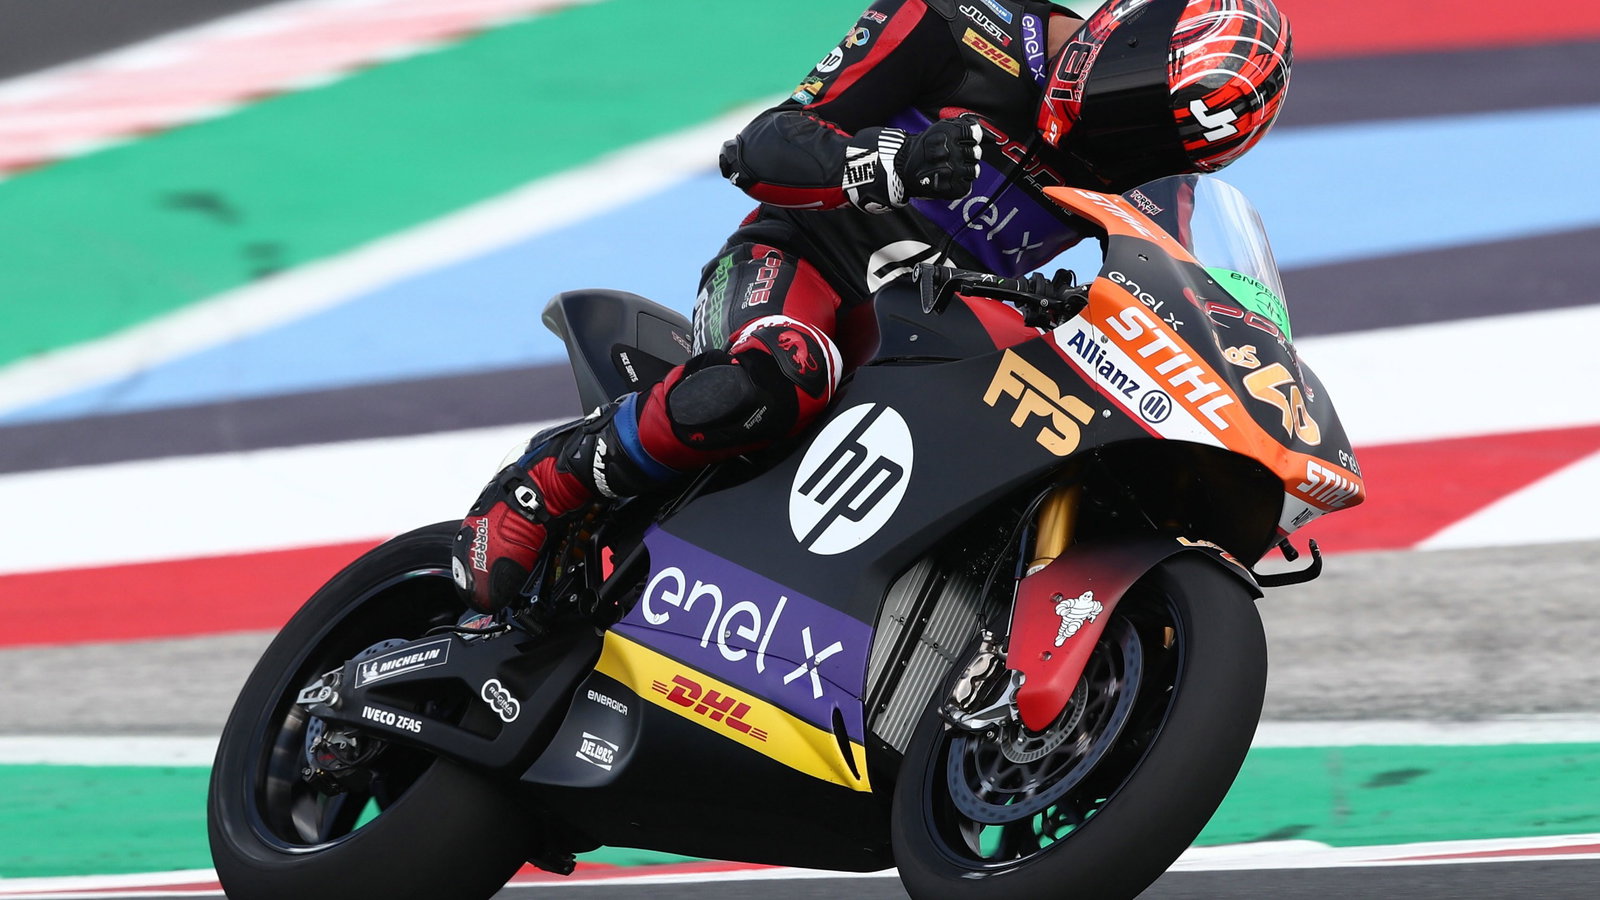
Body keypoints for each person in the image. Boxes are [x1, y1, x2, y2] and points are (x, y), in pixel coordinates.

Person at [449, 0, 1294, 613]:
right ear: (1123, 38)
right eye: (1131, 115)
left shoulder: (1152, 183)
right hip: (800, 265)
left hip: (941, 333)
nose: (1123, 151)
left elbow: (1184, 299)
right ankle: (548, 482)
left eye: (1155, 147)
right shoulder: (964, 23)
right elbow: (761, 146)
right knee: (783, 372)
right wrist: (893, 162)